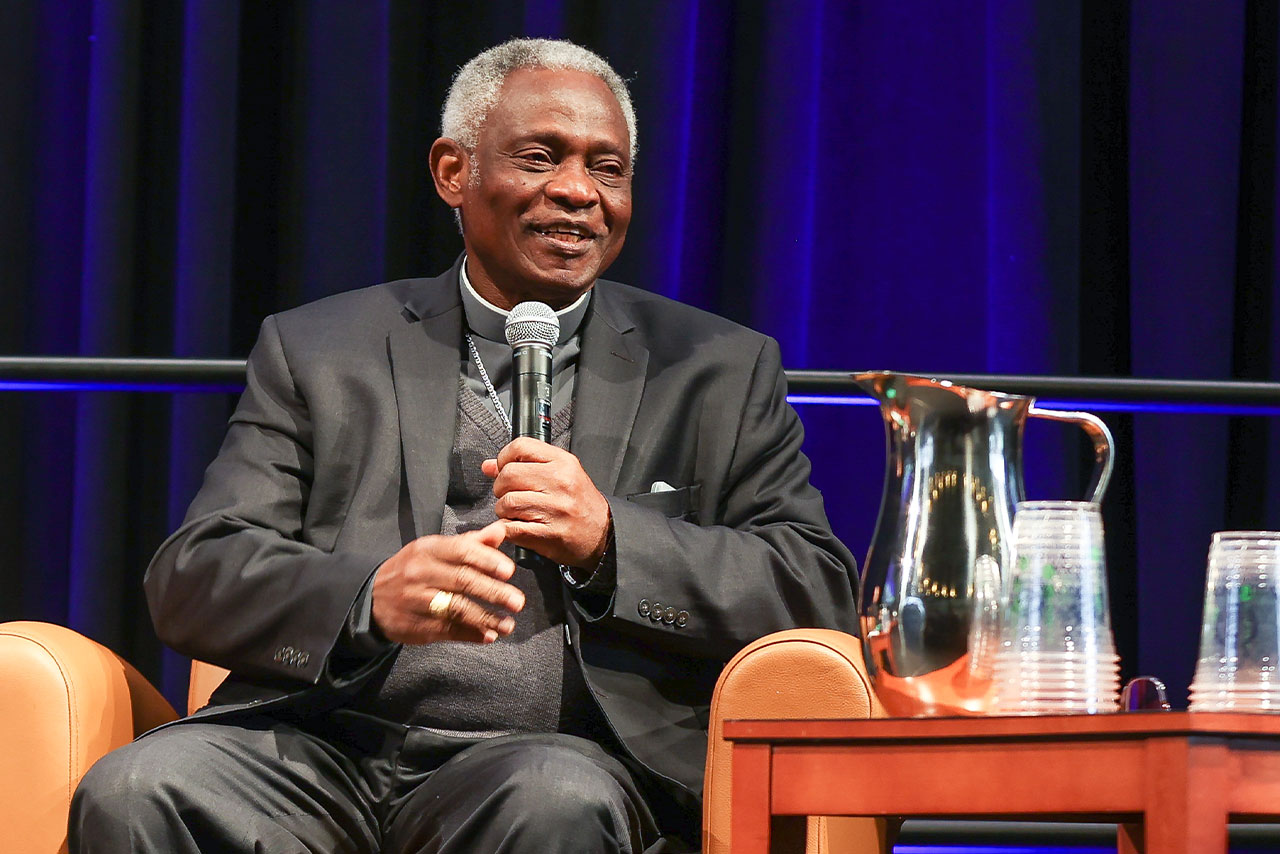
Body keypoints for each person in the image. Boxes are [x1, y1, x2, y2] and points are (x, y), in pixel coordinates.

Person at [69, 38, 857, 853]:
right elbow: (196, 574)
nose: (578, 192)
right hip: (318, 748)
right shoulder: (321, 349)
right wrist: (368, 598)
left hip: (550, 760)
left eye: (608, 168)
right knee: (136, 787)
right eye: (540, 156)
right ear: (454, 172)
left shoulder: (715, 368)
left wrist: (612, 540)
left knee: (554, 798)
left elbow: (815, 586)